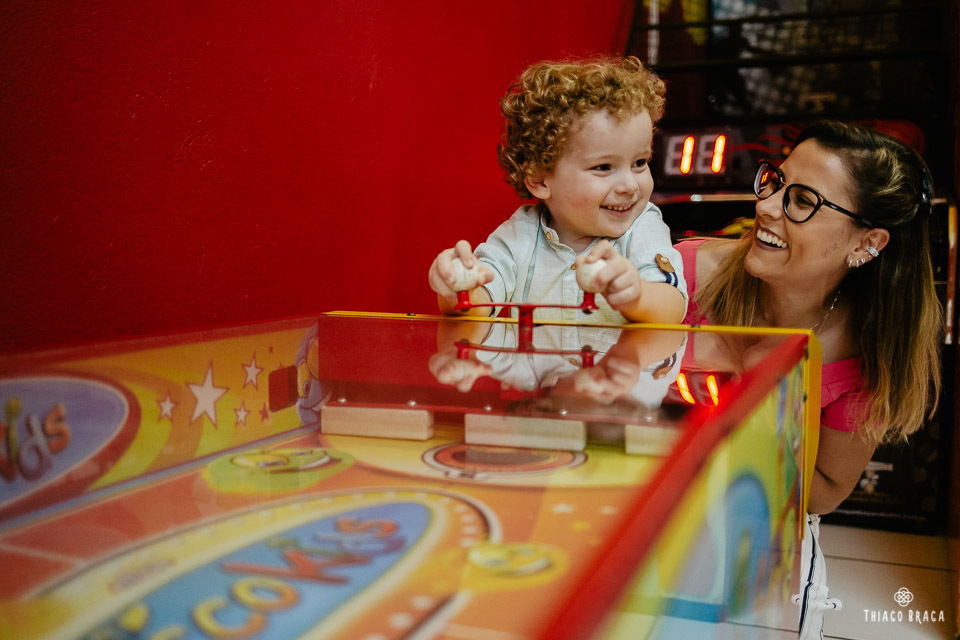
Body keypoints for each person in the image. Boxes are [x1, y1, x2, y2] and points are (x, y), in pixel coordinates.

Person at [675, 120, 941, 638]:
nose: (767, 206)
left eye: (802, 201)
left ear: (868, 242)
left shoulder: (867, 354)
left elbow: (822, 494)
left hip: (754, 530)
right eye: (775, 181)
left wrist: (772, 411)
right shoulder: (680, 274)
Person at [427, 56, 686, 324]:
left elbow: (673, 307)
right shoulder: (519, 235)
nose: (630, 185)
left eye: (640, 163)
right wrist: (457, 286)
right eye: (603, 167)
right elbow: (477, 305)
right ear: (539, 179)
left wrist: (638, 296)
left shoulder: (643, 227)